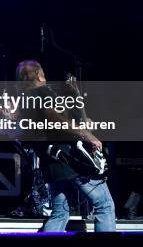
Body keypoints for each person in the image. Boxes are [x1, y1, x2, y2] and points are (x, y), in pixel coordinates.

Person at [15, 60, 115, 232]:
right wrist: (87, 135)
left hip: (52, 164)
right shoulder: (42, 92)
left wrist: (75, 95)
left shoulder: (23, 101)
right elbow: (55, 118)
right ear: (39, 74)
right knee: (104, 205)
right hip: (71, 161)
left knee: (60, 213)